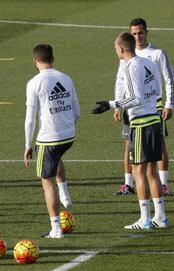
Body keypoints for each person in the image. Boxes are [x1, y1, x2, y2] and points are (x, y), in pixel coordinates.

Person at [93, 32, 168, 229]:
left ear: (121, 49)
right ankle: (160, 217)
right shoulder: (148, 63)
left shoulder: (130, 66)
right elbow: (157, 91)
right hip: (154, 119)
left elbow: (136, 98)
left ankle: (145, 219)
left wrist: (111, 104)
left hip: (141, 124)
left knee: (138, 170)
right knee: (152, 170)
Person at [24, 44, 80, 238]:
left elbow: (30, 118)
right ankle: (64, 194)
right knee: (56, 156)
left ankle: (56, 229)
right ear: (53, 59)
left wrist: (27, 145)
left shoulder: (34, 83)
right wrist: (66, 127)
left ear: (35, 61)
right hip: (69, 136)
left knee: (47, 182)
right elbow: (77, 111)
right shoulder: (66, 78)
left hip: (49, 138)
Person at [114, 18, 174, 196]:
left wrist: (169, 104)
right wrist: (118, 105)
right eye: (134, 33)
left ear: (146, 32)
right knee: (128, 144)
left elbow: (169, 80)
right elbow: (120, 81)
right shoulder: (125, 55)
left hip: (153, 107)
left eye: (140, 32)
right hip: (130, 108)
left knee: (159, 144)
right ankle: (128, 184)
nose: (138, 36)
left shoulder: (157, 54)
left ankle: (163, 184)